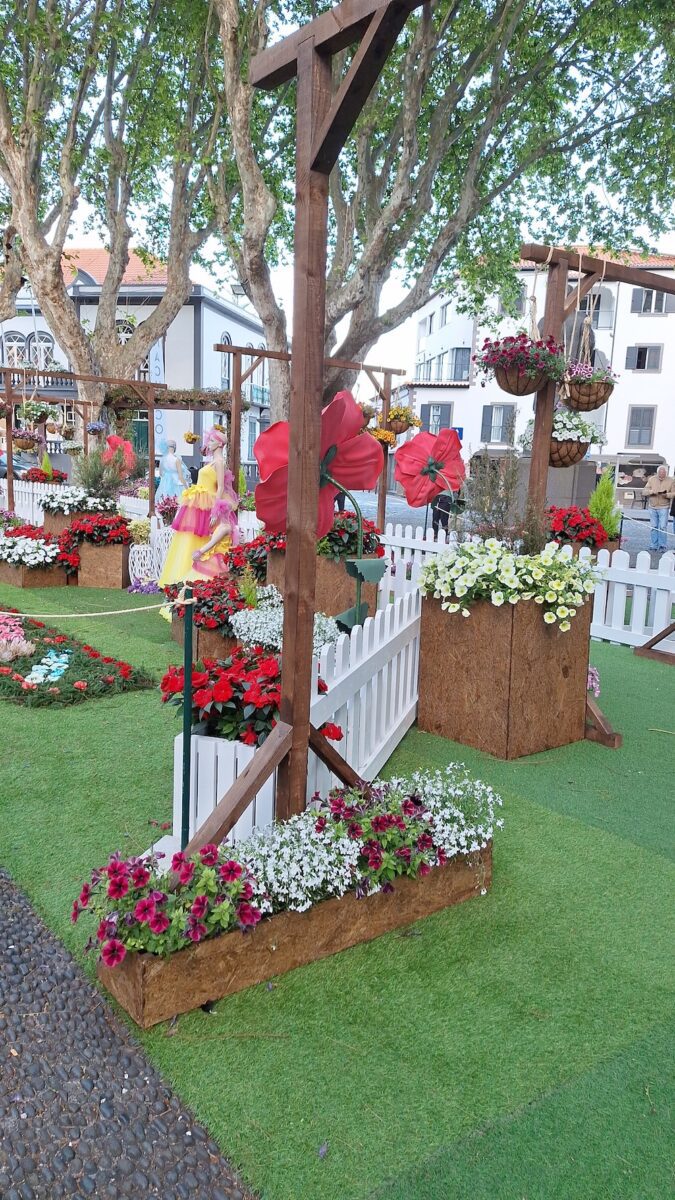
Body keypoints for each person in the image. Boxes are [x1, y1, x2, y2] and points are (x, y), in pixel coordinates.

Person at [158, 429, 239, 587]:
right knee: (190, 535)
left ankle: (196, 572)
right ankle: (181, 575)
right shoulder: (213, 462)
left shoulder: (219, 462)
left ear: (219, 444)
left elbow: (221, 487)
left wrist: (216, 510)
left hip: (207, 502)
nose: (209, 443)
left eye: (212, 441)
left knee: (200, 534)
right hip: (199, 501)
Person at [642, 465, 675, 552]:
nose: (662, 475)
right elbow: (644, 492)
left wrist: (666, 495)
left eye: (664, 473)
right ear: (657, 473)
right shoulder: (651, 479)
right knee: (653, 527)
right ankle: (653, 545)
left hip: (664, 507)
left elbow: (674, 493)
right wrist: (651, 492)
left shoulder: (671, 481)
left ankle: (662, 545)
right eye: (660, 473)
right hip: (652, 506)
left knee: (662, 527)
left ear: (666, 473)